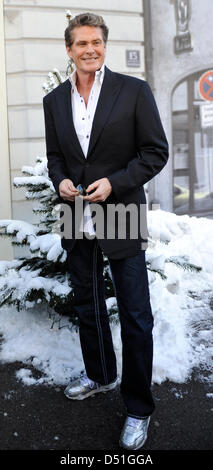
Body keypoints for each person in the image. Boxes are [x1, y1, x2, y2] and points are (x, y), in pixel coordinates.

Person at [43, 12, 169, 450]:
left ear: (104, 45)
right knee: (87, 302)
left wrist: (116, 182)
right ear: (69, 49)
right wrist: (57, 179)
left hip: (120, 208)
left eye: (96, 41)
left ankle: (138, 408)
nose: (89, 49)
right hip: (74, 212)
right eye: (81, 43)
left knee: (135, 313)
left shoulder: (133, 91)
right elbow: (56, 156)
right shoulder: (55, 100)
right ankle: (99, 374)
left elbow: (155, 152)